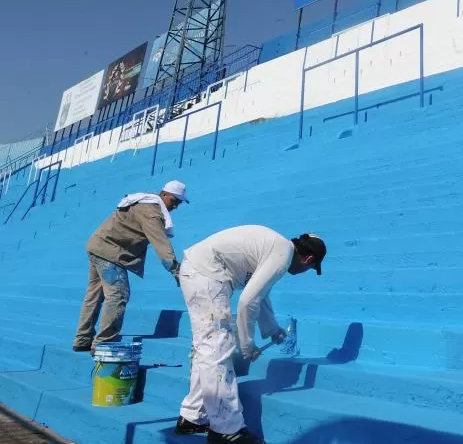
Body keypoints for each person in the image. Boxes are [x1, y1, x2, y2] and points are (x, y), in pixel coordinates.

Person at [175, 225, 326, 443]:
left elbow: (260, 294)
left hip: (201, 271)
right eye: (311, 268)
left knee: (207, 349)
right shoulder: (282, 255)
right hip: (207, 274)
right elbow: (248, 301)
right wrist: (247, 345)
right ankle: (226, 429)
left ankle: (192, 416)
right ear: (308, 259)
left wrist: (273, 329)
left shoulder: (278, 247)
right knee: (217, 348)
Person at [72, 180, 188, 352]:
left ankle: (83, 339)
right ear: (164, 195)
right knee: (118, 295)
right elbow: (162, 245)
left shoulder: (144, 201)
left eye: (179, 203)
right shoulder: (152, 213)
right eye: (174, 201)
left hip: (97, 245)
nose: (175, 206)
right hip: (109, 252)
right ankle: (104, 344)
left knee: (94, 296)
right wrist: (177, 272)